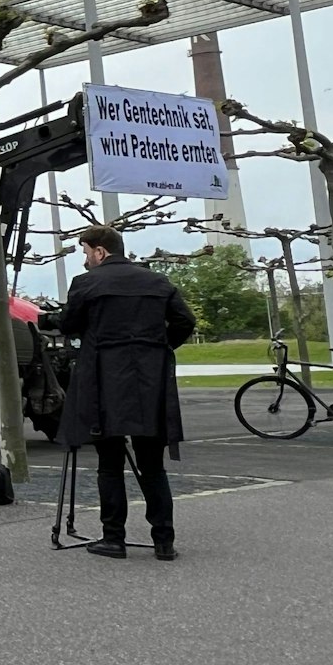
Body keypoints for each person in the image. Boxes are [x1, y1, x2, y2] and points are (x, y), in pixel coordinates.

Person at [59, 225, 194, 561]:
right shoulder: (157, 281)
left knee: (109, 462)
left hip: (104, 381)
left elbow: (69, 325)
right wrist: (159, 349)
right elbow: (184, 321)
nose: (86, 260)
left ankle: (114, 538)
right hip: (151, 382)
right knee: (152, 464)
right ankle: (164, 542)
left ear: (100, 251)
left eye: (86, 252)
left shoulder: (87, 283)